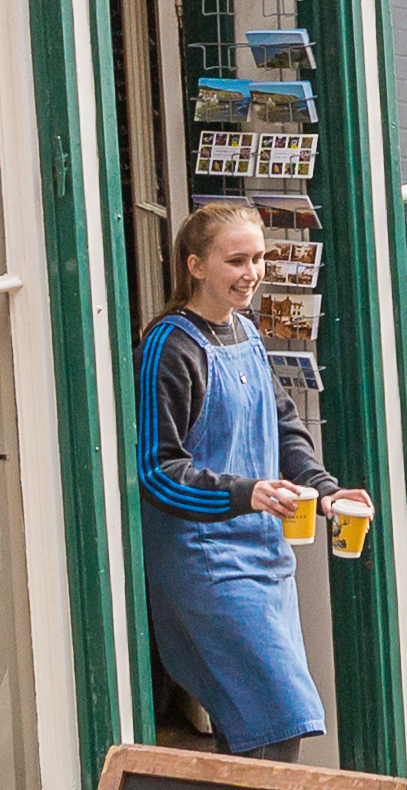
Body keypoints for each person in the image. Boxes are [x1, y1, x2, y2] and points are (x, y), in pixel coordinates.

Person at [134, 200, 341, 754]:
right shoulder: (168, 347)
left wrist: (325, 492)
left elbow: (285, 427)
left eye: (259, 259)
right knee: (280, 718)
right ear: (194, 265)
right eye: (236, 261)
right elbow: (158, 473)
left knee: (257, 727)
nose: (251, 273)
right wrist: (248, 493)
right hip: (204, 567)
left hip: (265, 559)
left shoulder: (247, 333)